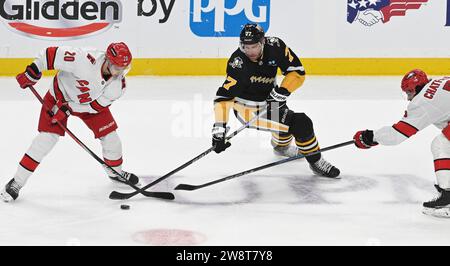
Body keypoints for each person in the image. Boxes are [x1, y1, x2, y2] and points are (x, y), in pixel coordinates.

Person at [0, 42, 139, 202]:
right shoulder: (83, 60)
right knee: (45, 140)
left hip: (87, 107)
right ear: (107, 59)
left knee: (112, 139)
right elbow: (50, 55)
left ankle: (116, 172)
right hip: (58, 97)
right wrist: (33, 71)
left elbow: (94, 108)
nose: (119, 72)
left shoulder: (118, 86)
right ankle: (17, 182)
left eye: (124, 68)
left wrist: (67, 108)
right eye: (117, 67)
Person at [211, 23, 340, 178]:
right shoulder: (238, 63)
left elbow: (297, 72)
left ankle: (281, 148)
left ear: (263, 42)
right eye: (246, 47)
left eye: (254, 46)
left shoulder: (276, 46)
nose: (250, 51)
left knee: (286, 122)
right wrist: (219, 129)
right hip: (248, 109)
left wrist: (283, 91)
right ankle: (316, 161)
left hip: (273, 99)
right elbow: (224, 98)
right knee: (301, 123)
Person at [353, 69, 450, 218]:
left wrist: (371, 137)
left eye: (409, 93)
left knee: (441, 145)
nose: (409, 98)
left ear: (416, 89)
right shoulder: (440, 80)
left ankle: (448, 198)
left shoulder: (423, 102)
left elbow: (397, 135)